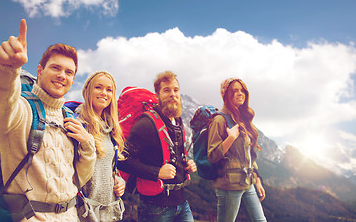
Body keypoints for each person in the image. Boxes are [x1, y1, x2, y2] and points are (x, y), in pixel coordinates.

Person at [0, 19, 96, 221]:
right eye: (55, 68)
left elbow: (78, 178)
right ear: (39, 70)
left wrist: (87, 145)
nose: (62, 75)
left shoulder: (69, 117)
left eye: (69, 72)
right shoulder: (21, 108)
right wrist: (5, 69)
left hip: (71, 216)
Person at [118, 71, 197, 222]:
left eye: (175, 90)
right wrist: (157, 172)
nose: (173, 94)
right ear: (157, 95)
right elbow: (122, 160)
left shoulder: (178, 121)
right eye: (166, 90)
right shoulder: (146, 124)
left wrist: (186, 165)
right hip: (155, 208)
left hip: (182, 203)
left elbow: (170, 155)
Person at [207, 78, 267, 222]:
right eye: (235, 91)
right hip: (229, 185)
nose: (240, 94)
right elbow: (212, 156)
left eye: (242, 90)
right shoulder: (219, 120)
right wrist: (231, 138)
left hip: (247, 182)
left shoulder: (242, 120)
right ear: (226, 95)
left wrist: (257, 180)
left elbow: (249, 155)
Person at [73, 71, 126, 221]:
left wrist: (119, 181)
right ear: (87, 90)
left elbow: (108, 166)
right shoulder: (77, 123)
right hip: (84, 211)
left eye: (109, 90)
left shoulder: (111, 128)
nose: (104, 93)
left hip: (109, 210)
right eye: (98, 87)